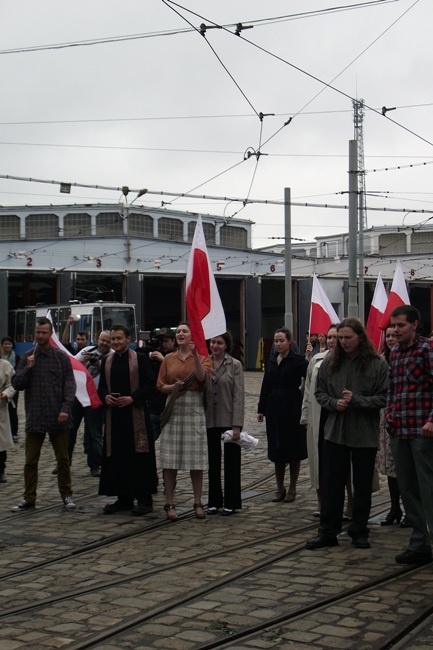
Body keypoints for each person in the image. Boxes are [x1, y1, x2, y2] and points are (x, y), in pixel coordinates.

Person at [306, 317, 388, 550]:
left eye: (347, 338)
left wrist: (358, 401)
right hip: (335, 432)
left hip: (364, 433)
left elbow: (384, 397)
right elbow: (319, 393)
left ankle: (359, 530)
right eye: (340, 338)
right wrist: (333, 403)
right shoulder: (330, 361)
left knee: (362, 486)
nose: (343, 342)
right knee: (332, 484)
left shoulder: (377, 363)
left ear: (360, 337)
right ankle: (328, 531)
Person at [10, 317, 77, 511]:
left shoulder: (61, 357)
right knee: (31, 461)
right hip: (35, 416)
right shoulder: (28, 357)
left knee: (63, 459)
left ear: (50, 334)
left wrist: (65, 408)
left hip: (58, 416)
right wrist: (28, 369)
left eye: (44, 333)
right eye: (38, 332)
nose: (40, 336)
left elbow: (70, 385)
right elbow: (16, 384)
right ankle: (29, 497)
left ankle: (67, 495)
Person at [385, 305, 433, 565]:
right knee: (408, 487)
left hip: (422, 431)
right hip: (399, 430)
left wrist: (432, 420)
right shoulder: (395, 352)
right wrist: (390, 417)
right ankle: (419, 543)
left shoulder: (427, 349)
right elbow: (393, 388)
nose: (395, 330)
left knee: (428, 487)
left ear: (414, 324)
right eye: (393, 326)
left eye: (400, 325)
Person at [98, 325, 157, 516]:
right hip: (115, 417)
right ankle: (124, 498)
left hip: (136, 416)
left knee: (139, 457)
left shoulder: (139, 359)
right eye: (112, 339)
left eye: (118, 338)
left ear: (128, 339)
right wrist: (105, 397)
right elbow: (102, 388)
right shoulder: (107, 360)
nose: (115, 342)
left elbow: (150, 385)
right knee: (118, 457)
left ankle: (144, 499)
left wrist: (133, 398)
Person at [157, 322, 212, 521]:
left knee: (196, 460)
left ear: (191, 336)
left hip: (194, 408)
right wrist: (173, 387)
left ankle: (197, 501)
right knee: (169, 459)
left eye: (184, 331)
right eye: (178, 331)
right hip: (174, 407)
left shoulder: (204, 358)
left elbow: (201, 377)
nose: (180, 334)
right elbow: (160, 385)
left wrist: (196, 355)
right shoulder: (168, 359)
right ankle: (169, 502)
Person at [257, 326, 308, 504]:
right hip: (274, 408)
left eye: (282, 340)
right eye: (276, 341)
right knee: (277, 448)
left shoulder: (298, 360)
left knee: (293, 448)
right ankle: (279, 488)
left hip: (292, 406)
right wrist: (261, 408)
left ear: (290, 342)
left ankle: (292, 487)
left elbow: (309, 378)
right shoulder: (271, 360)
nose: (278, 344)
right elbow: (266, 384)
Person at [206, 331, 245, 516]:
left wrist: (237, 424)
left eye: (219, 343)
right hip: (209, 419)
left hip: (229, 418)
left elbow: (238, 396)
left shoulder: (235, 365)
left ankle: (231, 501)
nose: (215, 346)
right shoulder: (204, 363)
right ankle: (213, 501)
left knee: (231, 462)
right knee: (212, 462)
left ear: (226, 345)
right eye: (213, 342)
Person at [301, 325, 338, 515]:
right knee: (318, 462)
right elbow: (307, 390)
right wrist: (305, 416)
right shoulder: (316, 360)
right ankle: (320, 501)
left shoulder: (347, 361)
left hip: (337, 418)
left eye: (335, 337)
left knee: (341, 466)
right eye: (329, 337)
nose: (331, 340)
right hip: (317, 417)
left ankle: (348, 503)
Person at [68, 330, 112, 477]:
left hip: (95, 398)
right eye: (102, 340)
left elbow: (111, 376)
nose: (104, 343)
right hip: (79, 396)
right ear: (97, 339)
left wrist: (99, 365)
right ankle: (64, 462)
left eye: (107, 341)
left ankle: (95, 465)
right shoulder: (87, 350)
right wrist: (84, 361)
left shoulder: (111, 355)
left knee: (95, 434)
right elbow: (71, 366)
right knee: (70, 430)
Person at [376, 326, 405, 526]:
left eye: (395, 335)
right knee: (391, 469)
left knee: (406, 468)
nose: (391, 339)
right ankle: (395, 508)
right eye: (388, 336)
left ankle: (412, 511)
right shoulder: (381, 361)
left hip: (405, 419)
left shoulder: (405, 358)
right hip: (385, 419)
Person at [140, 327, 176, 441]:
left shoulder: (177, 355)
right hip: (154, 406)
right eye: (160, 341)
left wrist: (163, 360)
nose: (163, 345)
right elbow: (137, 356)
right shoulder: (153, 354)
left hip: (170, 407)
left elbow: (178, 374)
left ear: (173, 341)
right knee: (147, 441)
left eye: (166, 341)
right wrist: (150, 354)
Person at [1, 336, 20, 443]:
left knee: (12, 410)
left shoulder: (16, 358)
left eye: (9, 344)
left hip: (12, 387)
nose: (7, 346)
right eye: (5, 344)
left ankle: (13, 433)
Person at [0, 359, 15, 483]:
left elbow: (12, 385)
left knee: (1, 442)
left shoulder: (5, 365)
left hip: (0, 408)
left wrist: (6, 394)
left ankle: (0, 470)